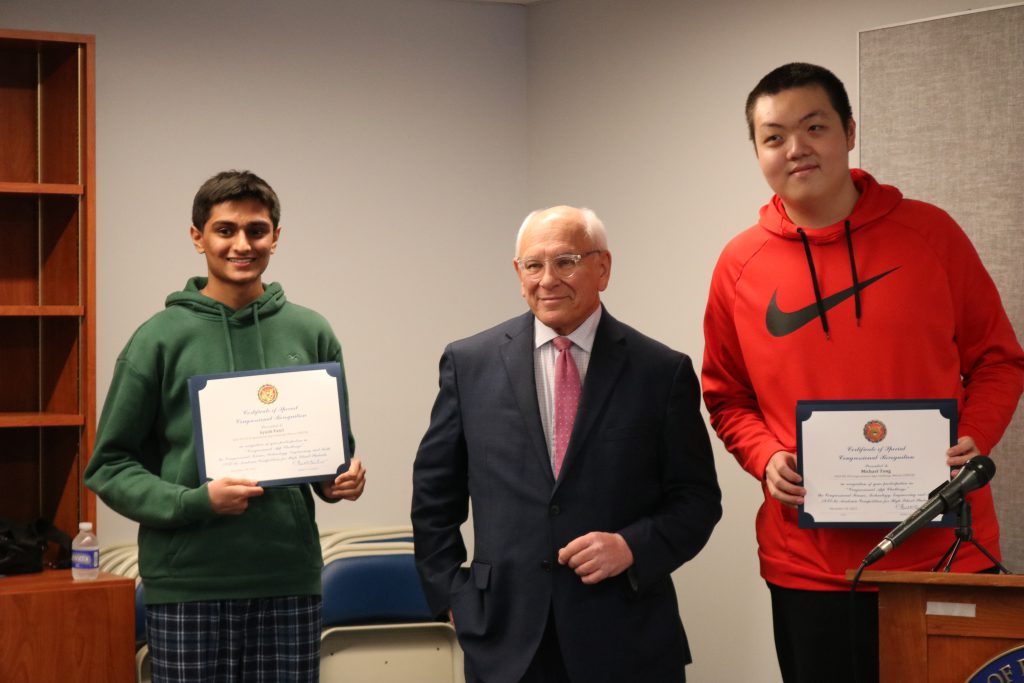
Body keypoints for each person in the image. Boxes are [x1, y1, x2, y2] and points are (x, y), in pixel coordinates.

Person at [701, 62, 1024, 682]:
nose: (795, 149)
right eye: (773, 137)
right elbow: (726, 397)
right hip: (811, 568)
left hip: (944, 558)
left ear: (849, 131)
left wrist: (976, 436)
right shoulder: (739, 264)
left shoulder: (931, 234)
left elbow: (999, 360)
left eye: (814, 126)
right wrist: (766, 458)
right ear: (759, 152)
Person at [411, 205, 721, 683]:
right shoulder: (468, 363)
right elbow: (434, 497)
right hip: (504, 637)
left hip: (627, 636)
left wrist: (630, 546)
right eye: (533, 265)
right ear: (519, 275)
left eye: (567, 261)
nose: (548, 279)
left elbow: (697, 499)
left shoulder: (661, 372)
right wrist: (455, 597)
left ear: (603, 267)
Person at [85, 170, 366, 683]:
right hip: (189, 584)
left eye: (257, 231)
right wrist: (196, 501)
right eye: (225, 230)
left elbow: (334, 454)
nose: (242, 244)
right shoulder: (157, 339)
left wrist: (341, 479)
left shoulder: (311, 330)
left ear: (276, 237)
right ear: (198, 237)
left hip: (289, 577)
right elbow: (110, 466)